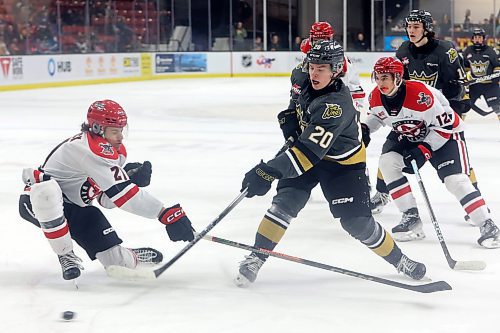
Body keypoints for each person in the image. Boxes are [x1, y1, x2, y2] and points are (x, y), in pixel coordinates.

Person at [234, 40, 427, 288]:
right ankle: (256, 256)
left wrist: (268, 171)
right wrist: (291, 120)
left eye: (321, 68)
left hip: (343, 164)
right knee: (283, 204)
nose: (314, 72)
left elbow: (304, 155)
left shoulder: (335, 106)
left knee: (356, 223)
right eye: (311, 66)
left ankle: (401, 260)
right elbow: (296, 106)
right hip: (311, 150)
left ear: (336, 70)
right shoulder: (302, 78)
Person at [18, 100, 195, 281]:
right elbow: (124, 198)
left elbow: (106, 200)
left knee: (117, 263)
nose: (120, 137)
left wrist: (129, 179)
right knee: (47, 192)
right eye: (114, 131)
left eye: (121, 130)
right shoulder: (87, 148)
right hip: (35, 202)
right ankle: (66, 254)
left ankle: (128, 256)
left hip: (76, 208)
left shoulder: (114, 152)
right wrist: (164, 213)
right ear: (97, 128)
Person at [363, 56, 499, 248]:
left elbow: (447, 124)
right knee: (387, 162)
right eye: (377, 77)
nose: (380, 82)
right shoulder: (375, 96)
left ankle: (487, 225)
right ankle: (411, 217)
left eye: (385, 77)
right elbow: (378, 115)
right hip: (410, 135)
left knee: (455, 181)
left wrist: (425, 148)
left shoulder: (420, 95)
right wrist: (366, 128)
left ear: (398, 78)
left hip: (446, 135)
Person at [369, 9, 480, 217]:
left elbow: (457, 88)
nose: (411, 31)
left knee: (458, 161)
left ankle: (475, 196)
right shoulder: (403, 51)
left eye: (416, 27)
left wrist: (458, 95)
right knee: (388, 152)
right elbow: (400, 83)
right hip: (412, 115)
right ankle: (382, 193)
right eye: (409, 26)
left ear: (427, 29)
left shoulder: (446, 51)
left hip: (439, 115)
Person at [462, 28, 500, 121]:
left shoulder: (491, 51)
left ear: (483, 38)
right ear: (472, 39)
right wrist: (466, 76)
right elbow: (465, 66)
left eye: (479, 37)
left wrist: (496, 76)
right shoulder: (468, 51)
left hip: (490, 85)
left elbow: (497, 65)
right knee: (464, 107)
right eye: (475, 37)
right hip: (474, 85)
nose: (477, 39)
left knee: (497, 106)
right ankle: (458, 127)